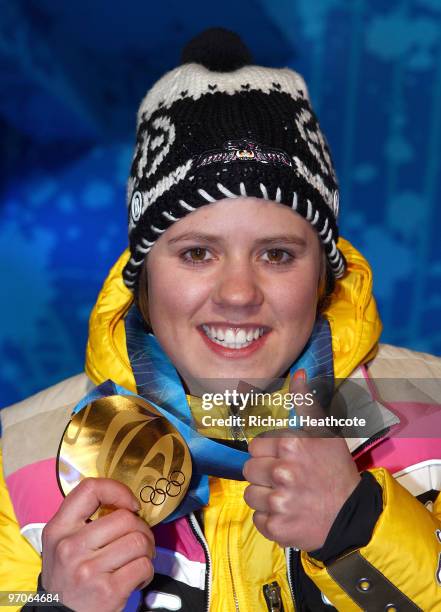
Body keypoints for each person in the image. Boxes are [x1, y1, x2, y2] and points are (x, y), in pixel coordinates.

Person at [1, 27, 441, 612]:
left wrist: (358, 528)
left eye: (277, 254)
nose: (238, 294)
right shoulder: (15, 455)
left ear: (323, 274)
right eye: (197, 253)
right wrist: (55, 605)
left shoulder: (432, 417)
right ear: (144, 273)